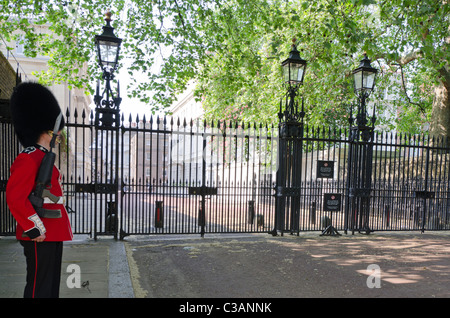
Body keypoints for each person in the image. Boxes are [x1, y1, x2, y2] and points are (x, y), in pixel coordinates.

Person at [6, 82, 73, 298]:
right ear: (45, 130)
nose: (59, 136)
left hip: (51, 231)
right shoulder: (28, 158)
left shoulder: (43, 157)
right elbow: (15, 198)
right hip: (39, 233)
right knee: (38, 286)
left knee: (50, 284)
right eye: (57, 132)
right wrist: (34, 228)